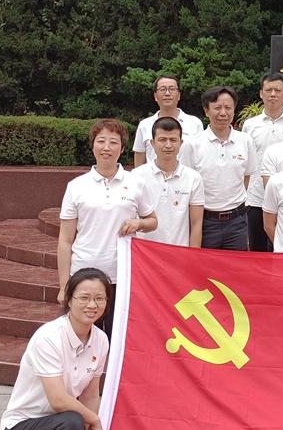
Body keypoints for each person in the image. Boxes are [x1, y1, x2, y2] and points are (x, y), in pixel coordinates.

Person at [0, 268, 112, 430]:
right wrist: (94, 419)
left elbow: (90, 395)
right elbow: (58, 400)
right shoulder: (49, 338)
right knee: (72, 421)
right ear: (69, 300)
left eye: (99, 298)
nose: (92, 305)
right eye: (84, 298)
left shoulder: (100, 340)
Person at [57, 120, 156, 335]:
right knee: (82, 337)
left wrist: (139, 223)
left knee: (117, 337)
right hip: (84, 274)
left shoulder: (136, 182)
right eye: (101, 141)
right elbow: (65, 239)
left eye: (113, 142)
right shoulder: (76, 186)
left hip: (122, 274)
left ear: (122, 148)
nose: (106, 148)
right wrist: (64, 285)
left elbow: (152, 221)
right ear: (93, 146)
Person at [179, 87, 258, 250]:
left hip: (237, 221)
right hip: (205, 221)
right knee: (204, 265)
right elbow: (186, 182)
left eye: (228, 108)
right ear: (206, 111)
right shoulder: (192, 144)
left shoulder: (246, 141)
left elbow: (246, 176)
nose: (223, 113)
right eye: (217, 108)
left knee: (236, 265)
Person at [132, 117, 204, 248]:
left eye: (173, 140)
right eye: (162, 140)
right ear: (152, 143)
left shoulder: (193, 178)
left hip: (179, 252)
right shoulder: (137, 176)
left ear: (181, 143)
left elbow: (196, 224)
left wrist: (194, 256)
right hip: (144, 252)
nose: (168, 145)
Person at [243, 73, 283, 253]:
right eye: (268, 90)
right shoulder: (250, 125)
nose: (273, 94)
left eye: (277, 90)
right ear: (261, 94)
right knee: (257, 250)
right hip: (256, 197)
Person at [131, 75, 204, 168]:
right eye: (162, 89)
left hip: (185, 177)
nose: (167, 93)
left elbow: (200, 158)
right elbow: (139, 164)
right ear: (155, 96)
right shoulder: (144, 125)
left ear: (179, 95)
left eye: (172, 89)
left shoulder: (195, 123)